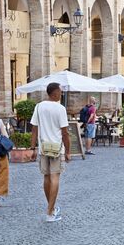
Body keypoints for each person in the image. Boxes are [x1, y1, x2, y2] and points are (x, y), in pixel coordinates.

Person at [30, 83, 71, 222]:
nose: (61, 94)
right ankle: (50, 211)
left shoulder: (39, 106)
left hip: (43, 148)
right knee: (55, 178)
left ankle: (51, 208)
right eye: (60, 92)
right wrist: (68, 151)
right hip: (57, 148)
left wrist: (32, 147)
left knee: (46, 178)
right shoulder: (60, 109)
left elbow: (34, 129)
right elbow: (65, 133)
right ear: (54, 93)